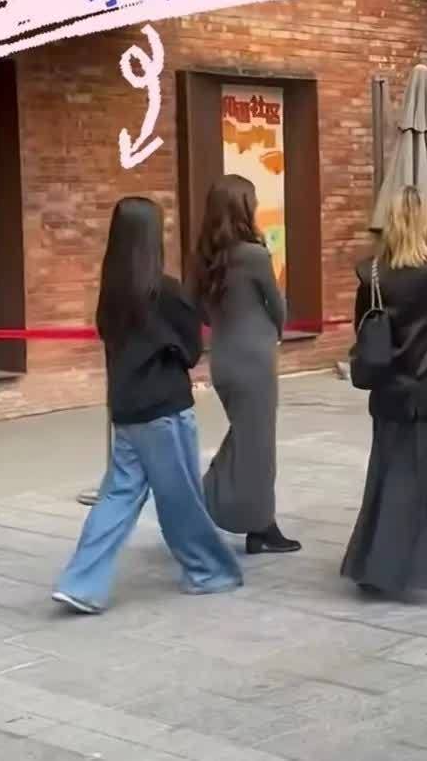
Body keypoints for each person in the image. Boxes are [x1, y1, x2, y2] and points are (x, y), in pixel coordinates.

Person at [52, 197, 242, 614]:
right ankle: (209, 570)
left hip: (126, 412)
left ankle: (80, 583)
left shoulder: (111, 295)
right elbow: (191, 351)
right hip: (164, 411)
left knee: (117, 498)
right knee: (181, 498)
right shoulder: (166, 292)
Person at [341, 185, 427, 600]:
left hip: (390, 386)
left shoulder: (372, 271)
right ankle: (413, 566)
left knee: (387, 474)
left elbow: (362, 325)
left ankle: (374, 563)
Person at [193, 174, 300, 555]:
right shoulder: (254, 254)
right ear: (243, 207)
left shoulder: (204, 257)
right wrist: (275, 331)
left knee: (247, 437)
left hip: (223, 358)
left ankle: (253, 521)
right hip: (254, 358)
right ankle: (239, 515)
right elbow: (277, 305)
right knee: (258, 444)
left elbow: (197, 309)